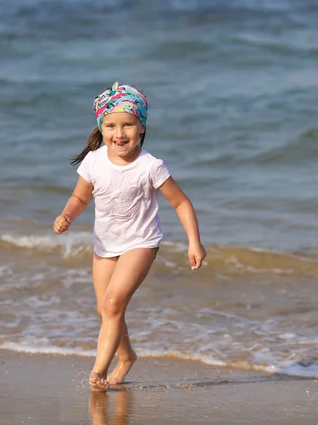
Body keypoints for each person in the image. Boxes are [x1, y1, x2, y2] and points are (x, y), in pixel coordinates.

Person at [53, 82, 206, 391]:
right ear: (101, 127)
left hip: (141, 242)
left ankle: (98, 370)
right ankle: (126, 357)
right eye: (110, 126)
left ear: (142, 127)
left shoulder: (151, 166)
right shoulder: (94, 161)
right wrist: (67, 215)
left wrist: (194, 241)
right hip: (105, 244)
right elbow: (81, 198)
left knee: (112, 304)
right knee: (106, 309)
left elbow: (180, 202)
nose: (119, 133)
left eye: (128, 125)